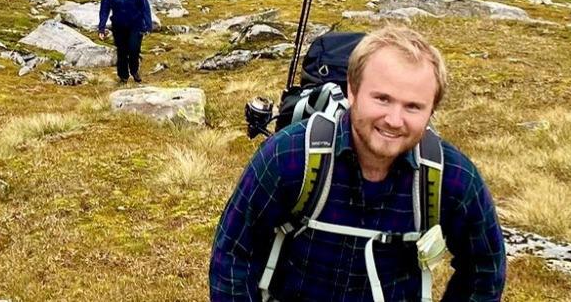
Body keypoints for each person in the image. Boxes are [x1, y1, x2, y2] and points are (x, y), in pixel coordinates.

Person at [208, 26, 506, 302]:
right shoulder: (288, 156)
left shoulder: (452, 177)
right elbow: (234, 253)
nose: (394, 120)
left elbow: (485, 268)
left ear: (432, 109)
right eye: (382, 99)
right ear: (352, 90)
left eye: (413, 106)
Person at [96, 0, 154, 85]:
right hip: (119, 26)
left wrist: (148, 24)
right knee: (122, 52)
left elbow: (144, 6)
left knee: (134, 49)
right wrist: (101, 28)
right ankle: (123, 76)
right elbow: (104, 9)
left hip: (135, 24)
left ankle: (134, 71)